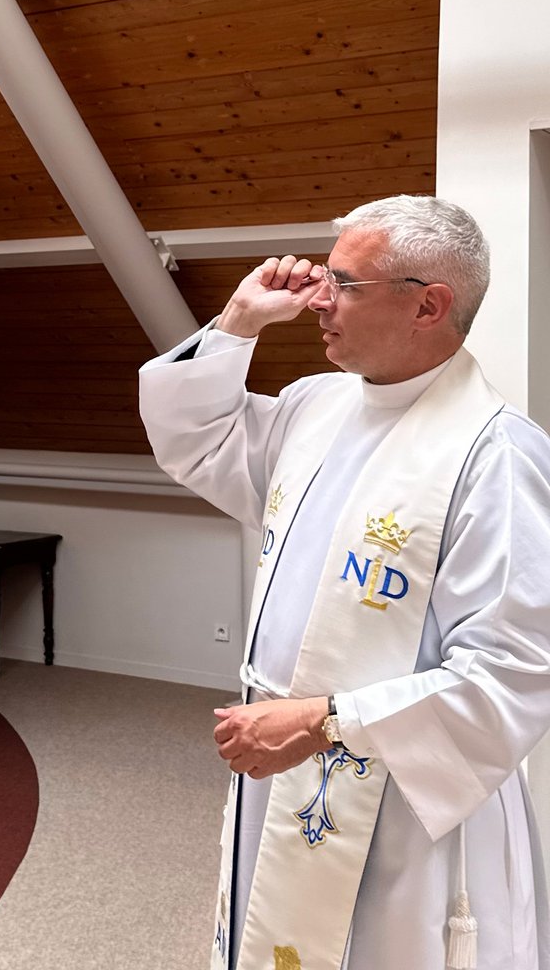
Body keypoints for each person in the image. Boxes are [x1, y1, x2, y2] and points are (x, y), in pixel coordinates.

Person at [139, 195, 550, 970]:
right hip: (280, 753)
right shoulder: (316, 406)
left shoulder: (496, 455)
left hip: (405, 796)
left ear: (429, 304)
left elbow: (511, 674)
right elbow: (195, 442)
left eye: (346, 284)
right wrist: (237, 321)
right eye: (324, 276)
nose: (320, 299)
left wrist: (327, 721)